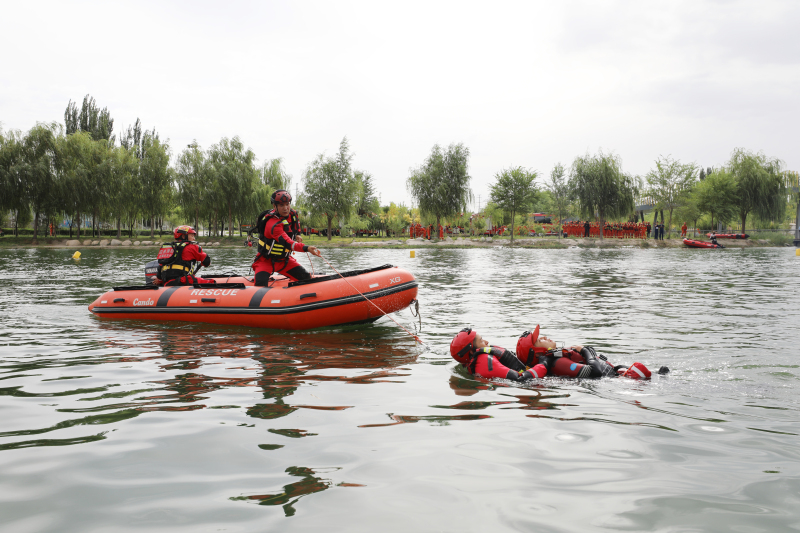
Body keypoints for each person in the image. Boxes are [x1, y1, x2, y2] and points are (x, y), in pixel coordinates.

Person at [450, 326, 664, 382]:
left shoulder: (558, 359)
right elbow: (597, 374)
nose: (546, 338)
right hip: (622, 381)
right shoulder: (557, 363)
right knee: (642, 370)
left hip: (619, 375)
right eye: (541, 339)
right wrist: (589, 352)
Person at [252, 189, 322, 286]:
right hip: (265, 261)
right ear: (274, 206)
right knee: (260, 287)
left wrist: (298, 234)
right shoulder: (273, 224)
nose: (285, 208)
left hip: (284, 260)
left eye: (287, 204)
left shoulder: (292, 214)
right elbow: (289, 244)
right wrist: (307, 248)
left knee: (306, 278)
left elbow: (296, 224)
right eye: (281, 205)